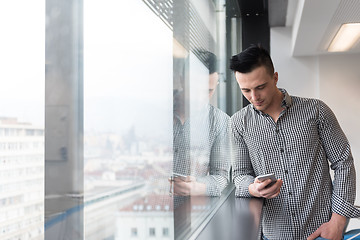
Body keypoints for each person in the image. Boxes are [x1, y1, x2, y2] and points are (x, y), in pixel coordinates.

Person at [229, 44, 360, 239]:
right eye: (246, 90)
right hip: (274, 234)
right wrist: (253, 188)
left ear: (275, 78)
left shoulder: (316, 111)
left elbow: (343, 163)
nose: (254, 97)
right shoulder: (238, 123)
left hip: (323, 231)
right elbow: (240, 176)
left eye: (260, 87)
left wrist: (338, 222)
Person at [171, 50, 231, 197]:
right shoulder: (158, 113)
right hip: (153, 204)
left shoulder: (220, 122)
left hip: (194, 213)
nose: (200, 98)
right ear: (182, 79)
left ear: (216, 84)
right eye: (194, 90)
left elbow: (221, 176)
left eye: (208, 91)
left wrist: (198, 187)